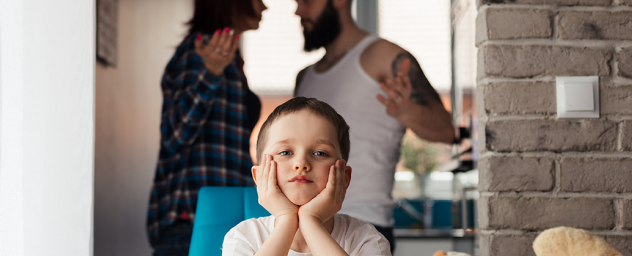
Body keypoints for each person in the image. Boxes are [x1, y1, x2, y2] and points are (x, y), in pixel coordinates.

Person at [293, 0, 456, 251]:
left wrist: (406, 110)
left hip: (365, 226)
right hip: (305, 227)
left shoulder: (383, 57)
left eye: (306, 1)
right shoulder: (305, 77)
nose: (298, 11)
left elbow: (446, 130)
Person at [146, 0, 267, 255]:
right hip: (194, 222)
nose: (264, 7)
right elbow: (175, 136)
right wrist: (210, 74)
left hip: (224, 221)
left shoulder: (229, 59)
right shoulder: (199, 52)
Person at [222, 97, 392, 256]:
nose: (301, 163)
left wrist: (312, 220)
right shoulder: (242, 238)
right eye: (285, 152)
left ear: (344, 177)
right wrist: (286, 219)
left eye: (320, 153)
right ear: (259, 176)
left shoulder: (366, 240)